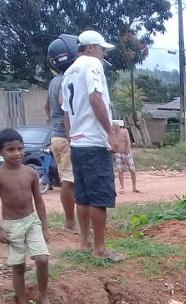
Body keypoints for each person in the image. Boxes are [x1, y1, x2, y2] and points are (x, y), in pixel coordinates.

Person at [62, 29, 123, 261]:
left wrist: (71, 139)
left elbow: (66, 111)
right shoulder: (92, 65)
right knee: (99, 196)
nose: (103, 53)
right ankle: (100, 248)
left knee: (84, 195)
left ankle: (85, 241)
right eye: (101, 48)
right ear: (89, 48)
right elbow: (95, 97)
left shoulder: (69, 71)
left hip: (78, 142)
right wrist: (110, 133)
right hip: (93, 142)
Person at [0, 129, 52, 304]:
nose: (16, 153)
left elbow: (38, 200)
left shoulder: (30, 172)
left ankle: (44, 296)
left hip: (32, 222)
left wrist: (44, 227)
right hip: (12, 226)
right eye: (10, 150)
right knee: (18, 266)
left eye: (20, 148)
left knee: (42, 259)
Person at [44, 33, 79, 232]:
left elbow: (47, 108)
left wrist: (53, 124)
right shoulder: (67, 79)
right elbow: (62, 105)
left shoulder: (53, 80)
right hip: (66, 137)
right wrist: (70, 135)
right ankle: (70, 222)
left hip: (55, 136)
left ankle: (72, 221)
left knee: (69, 179)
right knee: (69, 181)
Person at [112, 120, 140, 193]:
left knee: (132, 170)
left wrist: (127, 149)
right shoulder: (113, 134)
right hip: (118, 153)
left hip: (127, 153)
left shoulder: (124, 131)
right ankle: (122, 187)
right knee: (120, 170)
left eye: (115, 127)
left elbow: (128, 141)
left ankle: (134, 187)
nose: (115, 129)